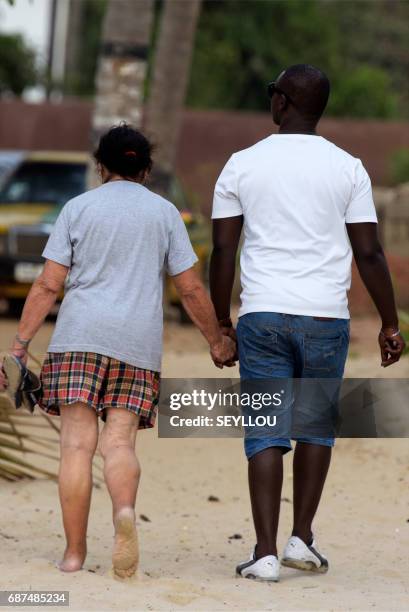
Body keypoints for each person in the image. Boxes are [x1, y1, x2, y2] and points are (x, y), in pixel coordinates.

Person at [0, 124, 236, 578]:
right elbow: (188, 289)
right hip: (136, 344)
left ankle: (73, 555)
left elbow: (50, 283)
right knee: (119, 441)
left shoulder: (78, 208)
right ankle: (124, 512)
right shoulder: (166, 214)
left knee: (75, 445)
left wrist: (19, 346)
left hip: (78, 340)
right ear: (146, 169)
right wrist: (217, 341)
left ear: (101, 166)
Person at [209, 64, 405, 582]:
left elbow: (224, 248)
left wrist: (221, 322)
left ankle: (265, 553)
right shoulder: (349, 168)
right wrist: (390, 323)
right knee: (317, 430)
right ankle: (302, 540)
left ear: (282, 103)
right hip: (325, 317)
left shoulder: (240, 165)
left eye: (273, 93)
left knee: (265, 434)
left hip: (262, 315)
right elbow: (369, 251)